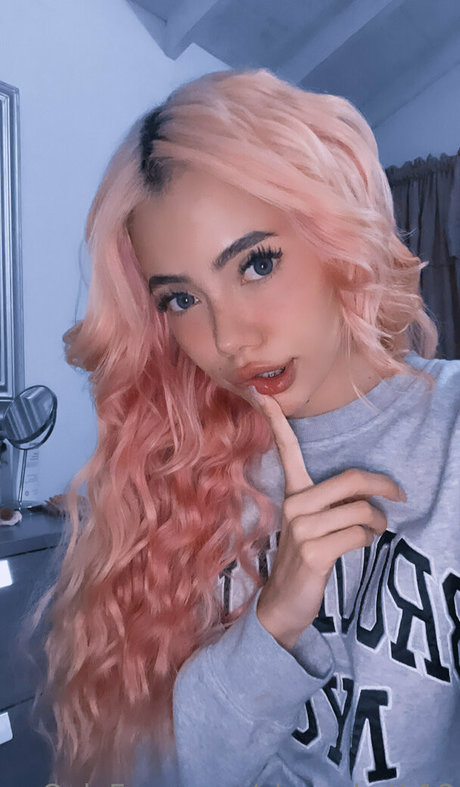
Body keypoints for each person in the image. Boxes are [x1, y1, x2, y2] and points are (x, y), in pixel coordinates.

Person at [26, 67, 460, 786]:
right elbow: (172, 766)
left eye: (257, 263)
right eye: (180, 299)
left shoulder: (450, 435)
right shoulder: (176, 477)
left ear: (334, 232)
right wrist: (275, 617)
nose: (228, 338)